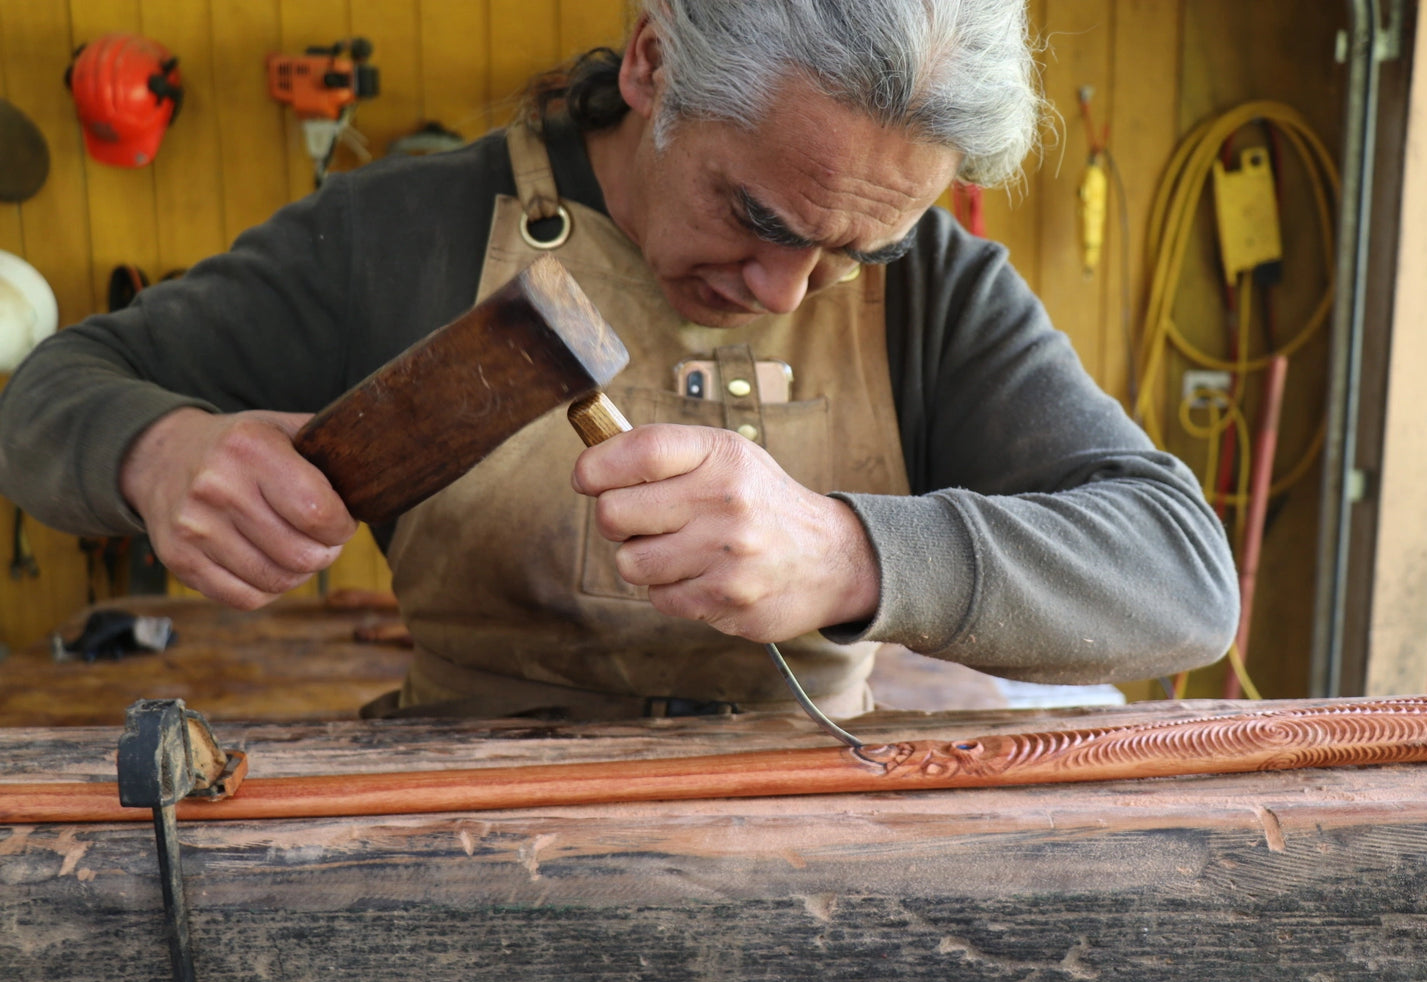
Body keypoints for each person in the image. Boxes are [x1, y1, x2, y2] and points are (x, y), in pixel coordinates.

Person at [0, 0, 1238, 720]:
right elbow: (50, 392)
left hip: (808, 854)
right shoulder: (407, 234)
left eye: (854, 249)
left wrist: (857, 555)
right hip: (444, 842)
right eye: (757, 217)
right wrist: (156, 453)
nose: (783, 292)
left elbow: (1182, 580)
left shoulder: (939, 297)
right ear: (653, 65)